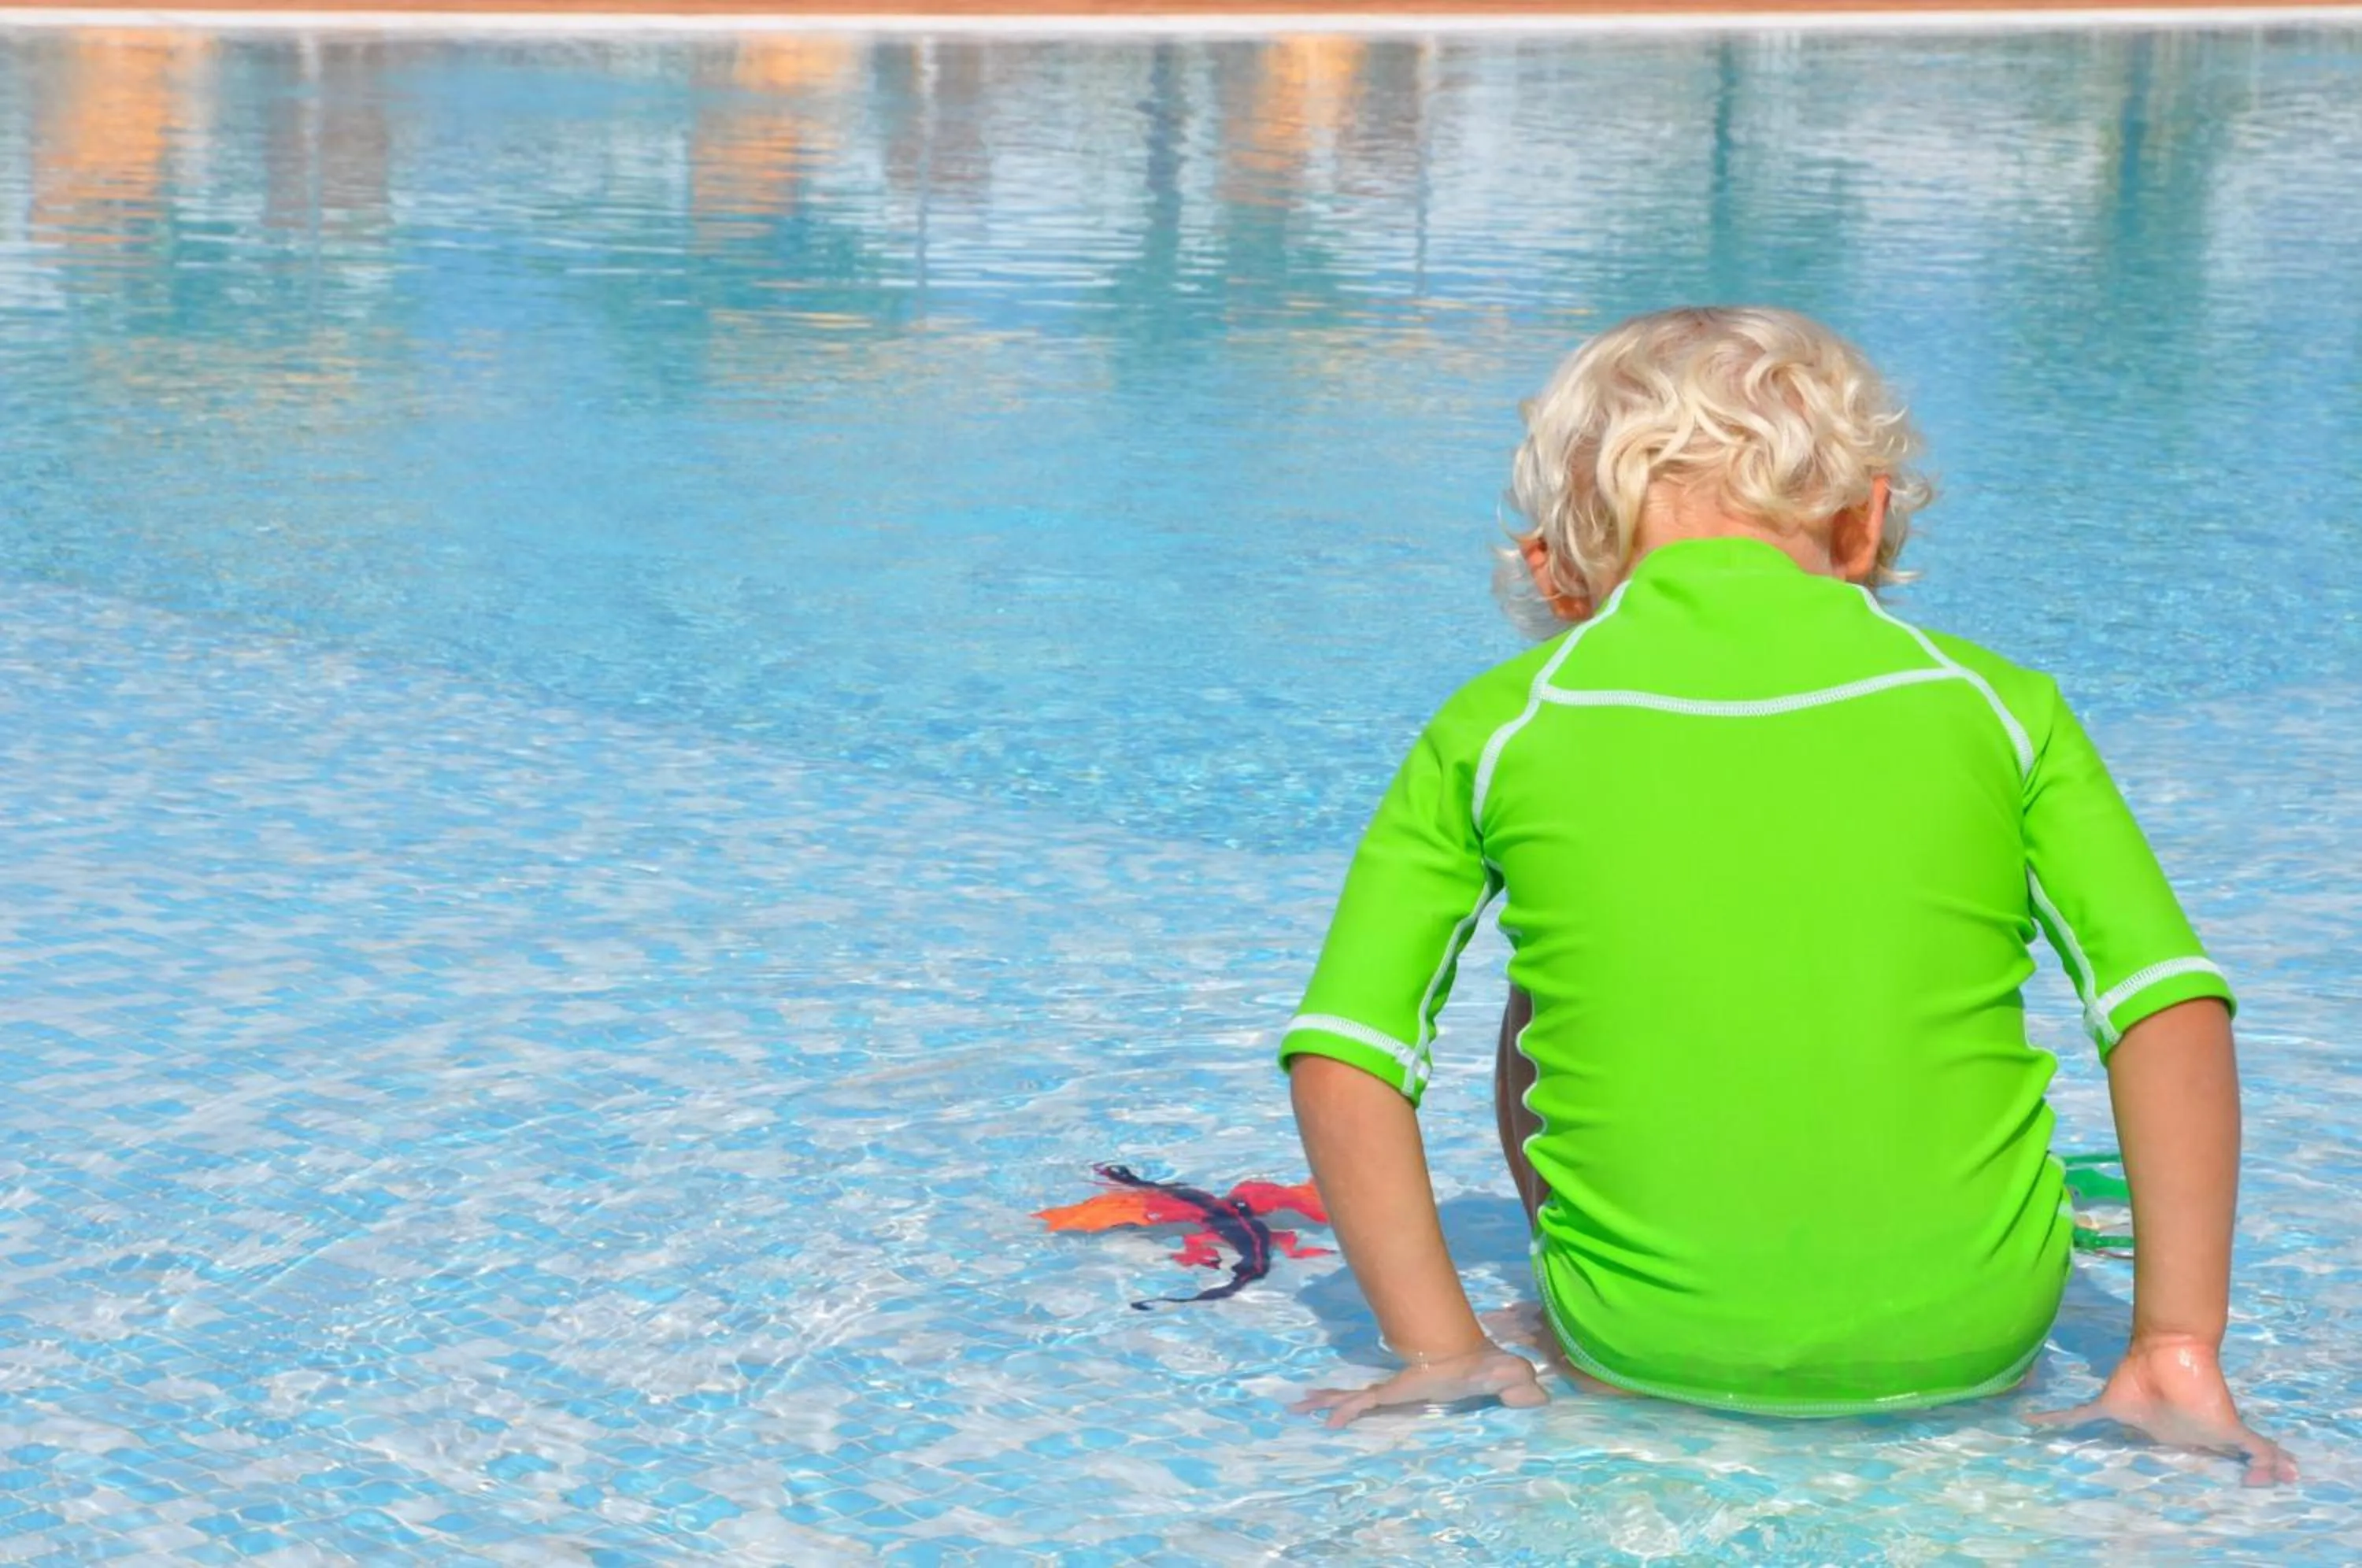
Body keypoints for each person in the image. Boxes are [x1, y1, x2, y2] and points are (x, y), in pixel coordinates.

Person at [1279, 306, 2294, 1484]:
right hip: (1975, 1338)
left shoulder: (1499, 724)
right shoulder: (2000, 704)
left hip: (1644, 1349)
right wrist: (2175, 1340)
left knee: (1541, 988)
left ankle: (1565, 1307)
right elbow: (2165, 1004)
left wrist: (1438, 1348)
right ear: (1863, 524)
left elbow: (1346, 1052)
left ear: (1558, 576)